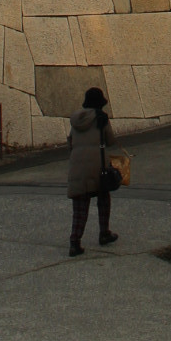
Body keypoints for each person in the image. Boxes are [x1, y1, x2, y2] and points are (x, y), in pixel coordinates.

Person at [67, 84, 121, 256]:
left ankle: (74, 242)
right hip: (98, 166)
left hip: (77, 167)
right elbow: (110, 140)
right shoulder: (101, 118)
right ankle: (104, 233)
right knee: (103, 199)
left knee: (80, 206)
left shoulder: (76, 120)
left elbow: (70, 141)